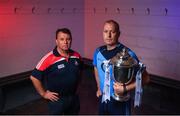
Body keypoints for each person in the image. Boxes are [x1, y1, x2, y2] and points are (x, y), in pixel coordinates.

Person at [93, 19, 150, 115]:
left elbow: (146, 78)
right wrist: (99, 87)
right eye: (106, 31)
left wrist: (125, 88)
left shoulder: (127, 54)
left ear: (118, 34)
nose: (109, 35)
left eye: (113, 32)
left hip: (120, 101)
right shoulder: (98, 52)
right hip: (103, 99)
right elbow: (96, 68)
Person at [30, 28, 83, 115]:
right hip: (57, 100)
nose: (65, 42)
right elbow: (34, 77)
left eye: (68, 39)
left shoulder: (76, 56)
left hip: (73, 97)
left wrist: (78, 85)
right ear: (56, 41)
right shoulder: (48, 58)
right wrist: (43, 94)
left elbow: (80, 71)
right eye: (62, 39)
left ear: (71, 40)